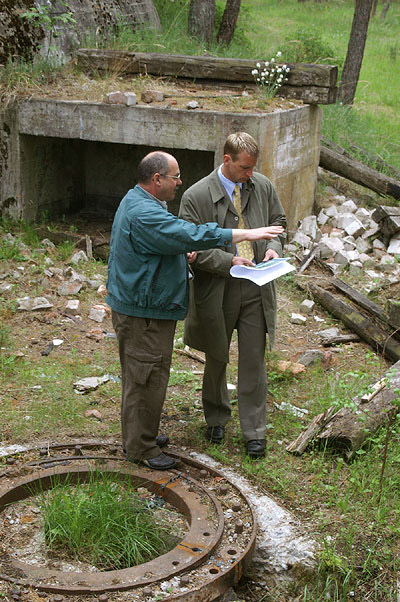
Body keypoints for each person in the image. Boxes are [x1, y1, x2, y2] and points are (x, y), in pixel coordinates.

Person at [106, 150, 284, 470]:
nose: (179, 182)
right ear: (157, 179)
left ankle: (141, 434)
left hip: (147, 309)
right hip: (143, 314)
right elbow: (188, 234)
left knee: (146, 377)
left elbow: (168, 244)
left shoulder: (141, 203)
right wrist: (242, 234)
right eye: (175, 176)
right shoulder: (147, 212)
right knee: (145, 379)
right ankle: (140, 447)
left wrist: (181, 255)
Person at [179, 133, 287, 459]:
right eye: (244, 167)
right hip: (217, 291)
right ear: (226, 160)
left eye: (253, 168)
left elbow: (278, 223)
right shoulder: (196, 196)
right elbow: (189, 246)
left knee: (254, 361)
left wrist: (272, 248)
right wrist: (229, 261)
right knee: (217, 356)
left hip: (257, 288)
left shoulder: (262, 186)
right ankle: (215, 417)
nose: (249, 174)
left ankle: (254, 432)